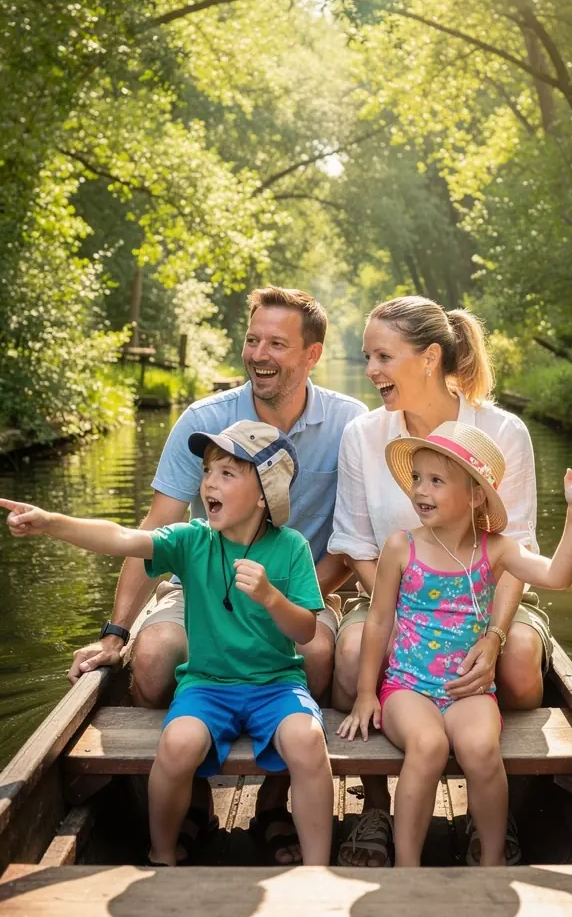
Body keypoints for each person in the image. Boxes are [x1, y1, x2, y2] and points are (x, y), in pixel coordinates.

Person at [67, 286, 365, 863]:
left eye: (278, 343)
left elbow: (354, 542)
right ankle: (194, 799)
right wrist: (114, 633)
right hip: (199, 585)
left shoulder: (351, 424)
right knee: (153, 659)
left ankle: (279, 804)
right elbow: (153, 529)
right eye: (253, 340)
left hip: (302, 586)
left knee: (322, 655)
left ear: (311, 355)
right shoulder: (205, 419)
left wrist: (279, 603)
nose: (260, 354)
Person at [0, 420, 335, 866]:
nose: (209, 481)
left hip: (276, 684)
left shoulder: (291, 547)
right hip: (208, 685)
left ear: (265, 492)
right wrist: (52, 523)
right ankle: (163, 855)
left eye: (228, 473)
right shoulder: (191, 540)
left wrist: (270, 597)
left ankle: (317, 866)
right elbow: (121, 538)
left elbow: (305, 631)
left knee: (307, 741)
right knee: (176, 745)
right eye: (208, 470)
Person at [329, 295, 550, 867]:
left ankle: (495, 806)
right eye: (367, 357)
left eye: (383, 357)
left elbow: (516, 547)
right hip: (389, 592)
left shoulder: (503, 430)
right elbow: (355, 545)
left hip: (485, 595)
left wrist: (493, 635)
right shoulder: (362, 434)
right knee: (354, 654)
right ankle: (375, 806)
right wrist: (407, 616)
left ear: (429, 358)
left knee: (521, 659)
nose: (371, 371)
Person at [337, 422, 572, 867]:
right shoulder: (401, 547)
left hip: (468, 689)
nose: (420, 491)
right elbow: (379, 620)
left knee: (482, 750)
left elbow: (558, 576)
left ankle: (492, 862)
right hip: (407, 686)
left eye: (436, 481)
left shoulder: (497, 550)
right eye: (417, 479)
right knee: (426, 745)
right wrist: (367, 692)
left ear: (475, 494)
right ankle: (407, 868)